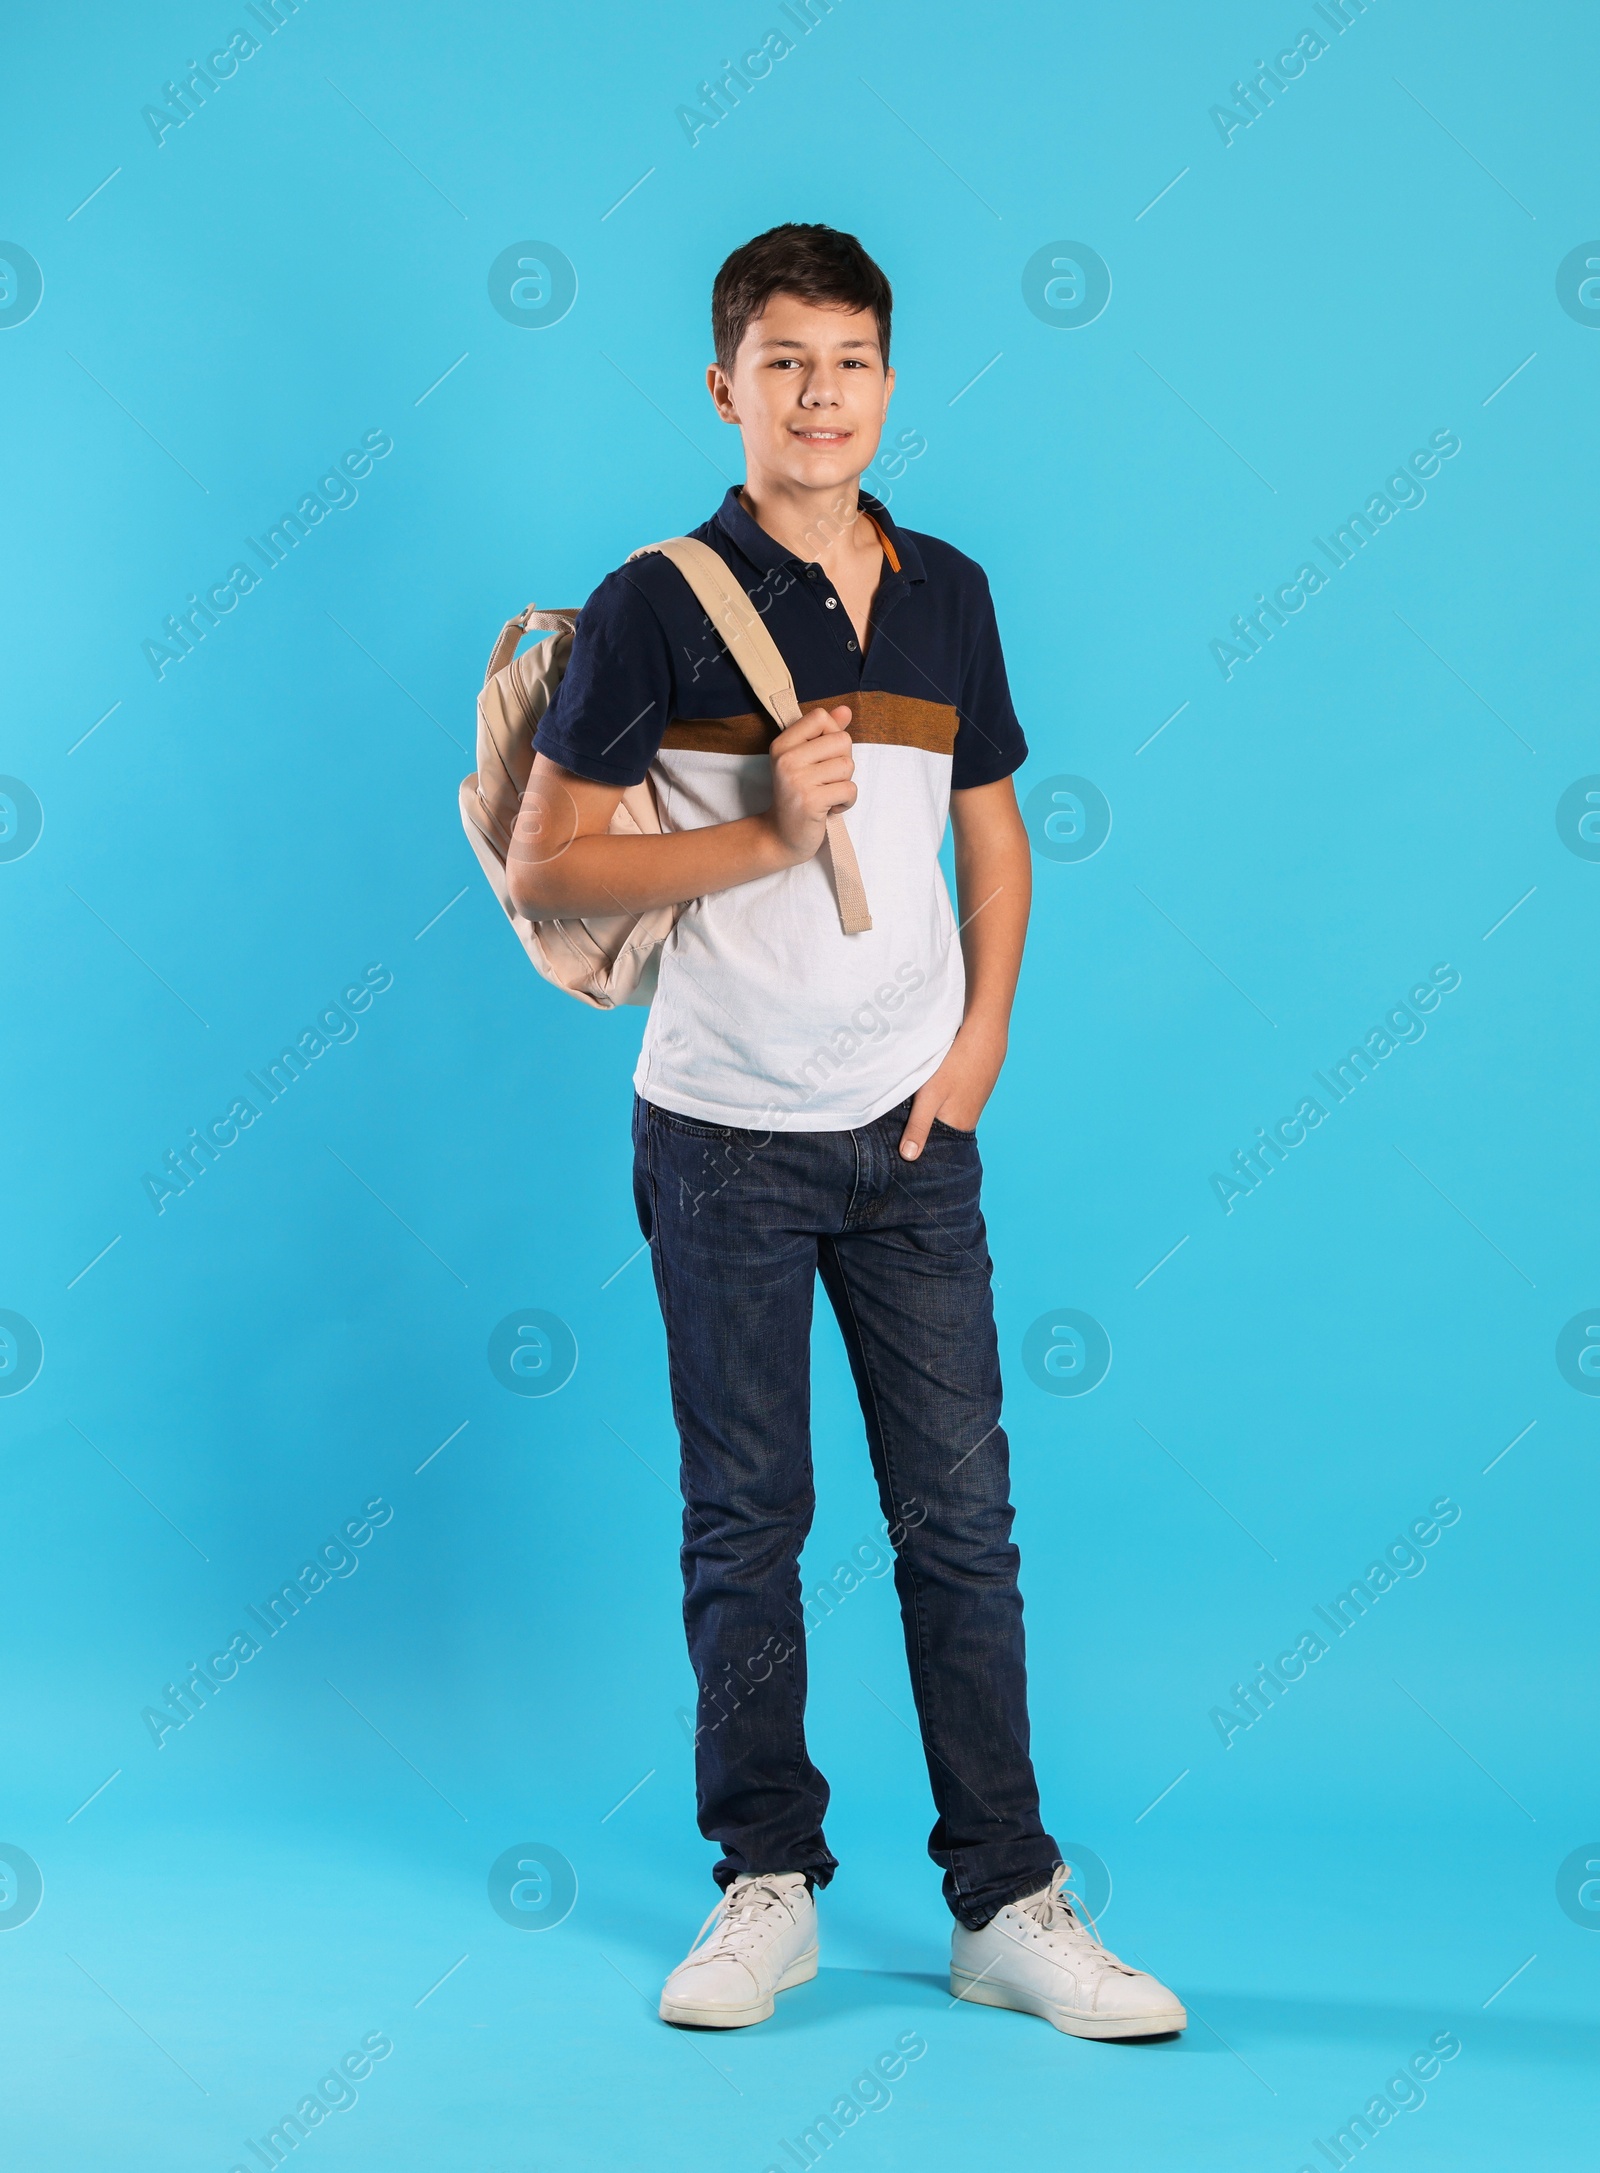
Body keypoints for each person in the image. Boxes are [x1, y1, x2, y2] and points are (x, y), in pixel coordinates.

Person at [508, 223, 1184, 2041]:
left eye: (853, 360)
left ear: (893, 382)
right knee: (749, 1520)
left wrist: (974, 1057)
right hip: (718, 1133)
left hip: (908, 1143)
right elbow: (547, 860)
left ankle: (1010, 1899)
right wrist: (755, 834)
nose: (821, 394)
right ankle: (767, 1885)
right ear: (725, 388)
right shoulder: (655, 600)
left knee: (962, 1524)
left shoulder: (951, 589)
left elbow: (996, 840)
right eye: (784, 361)